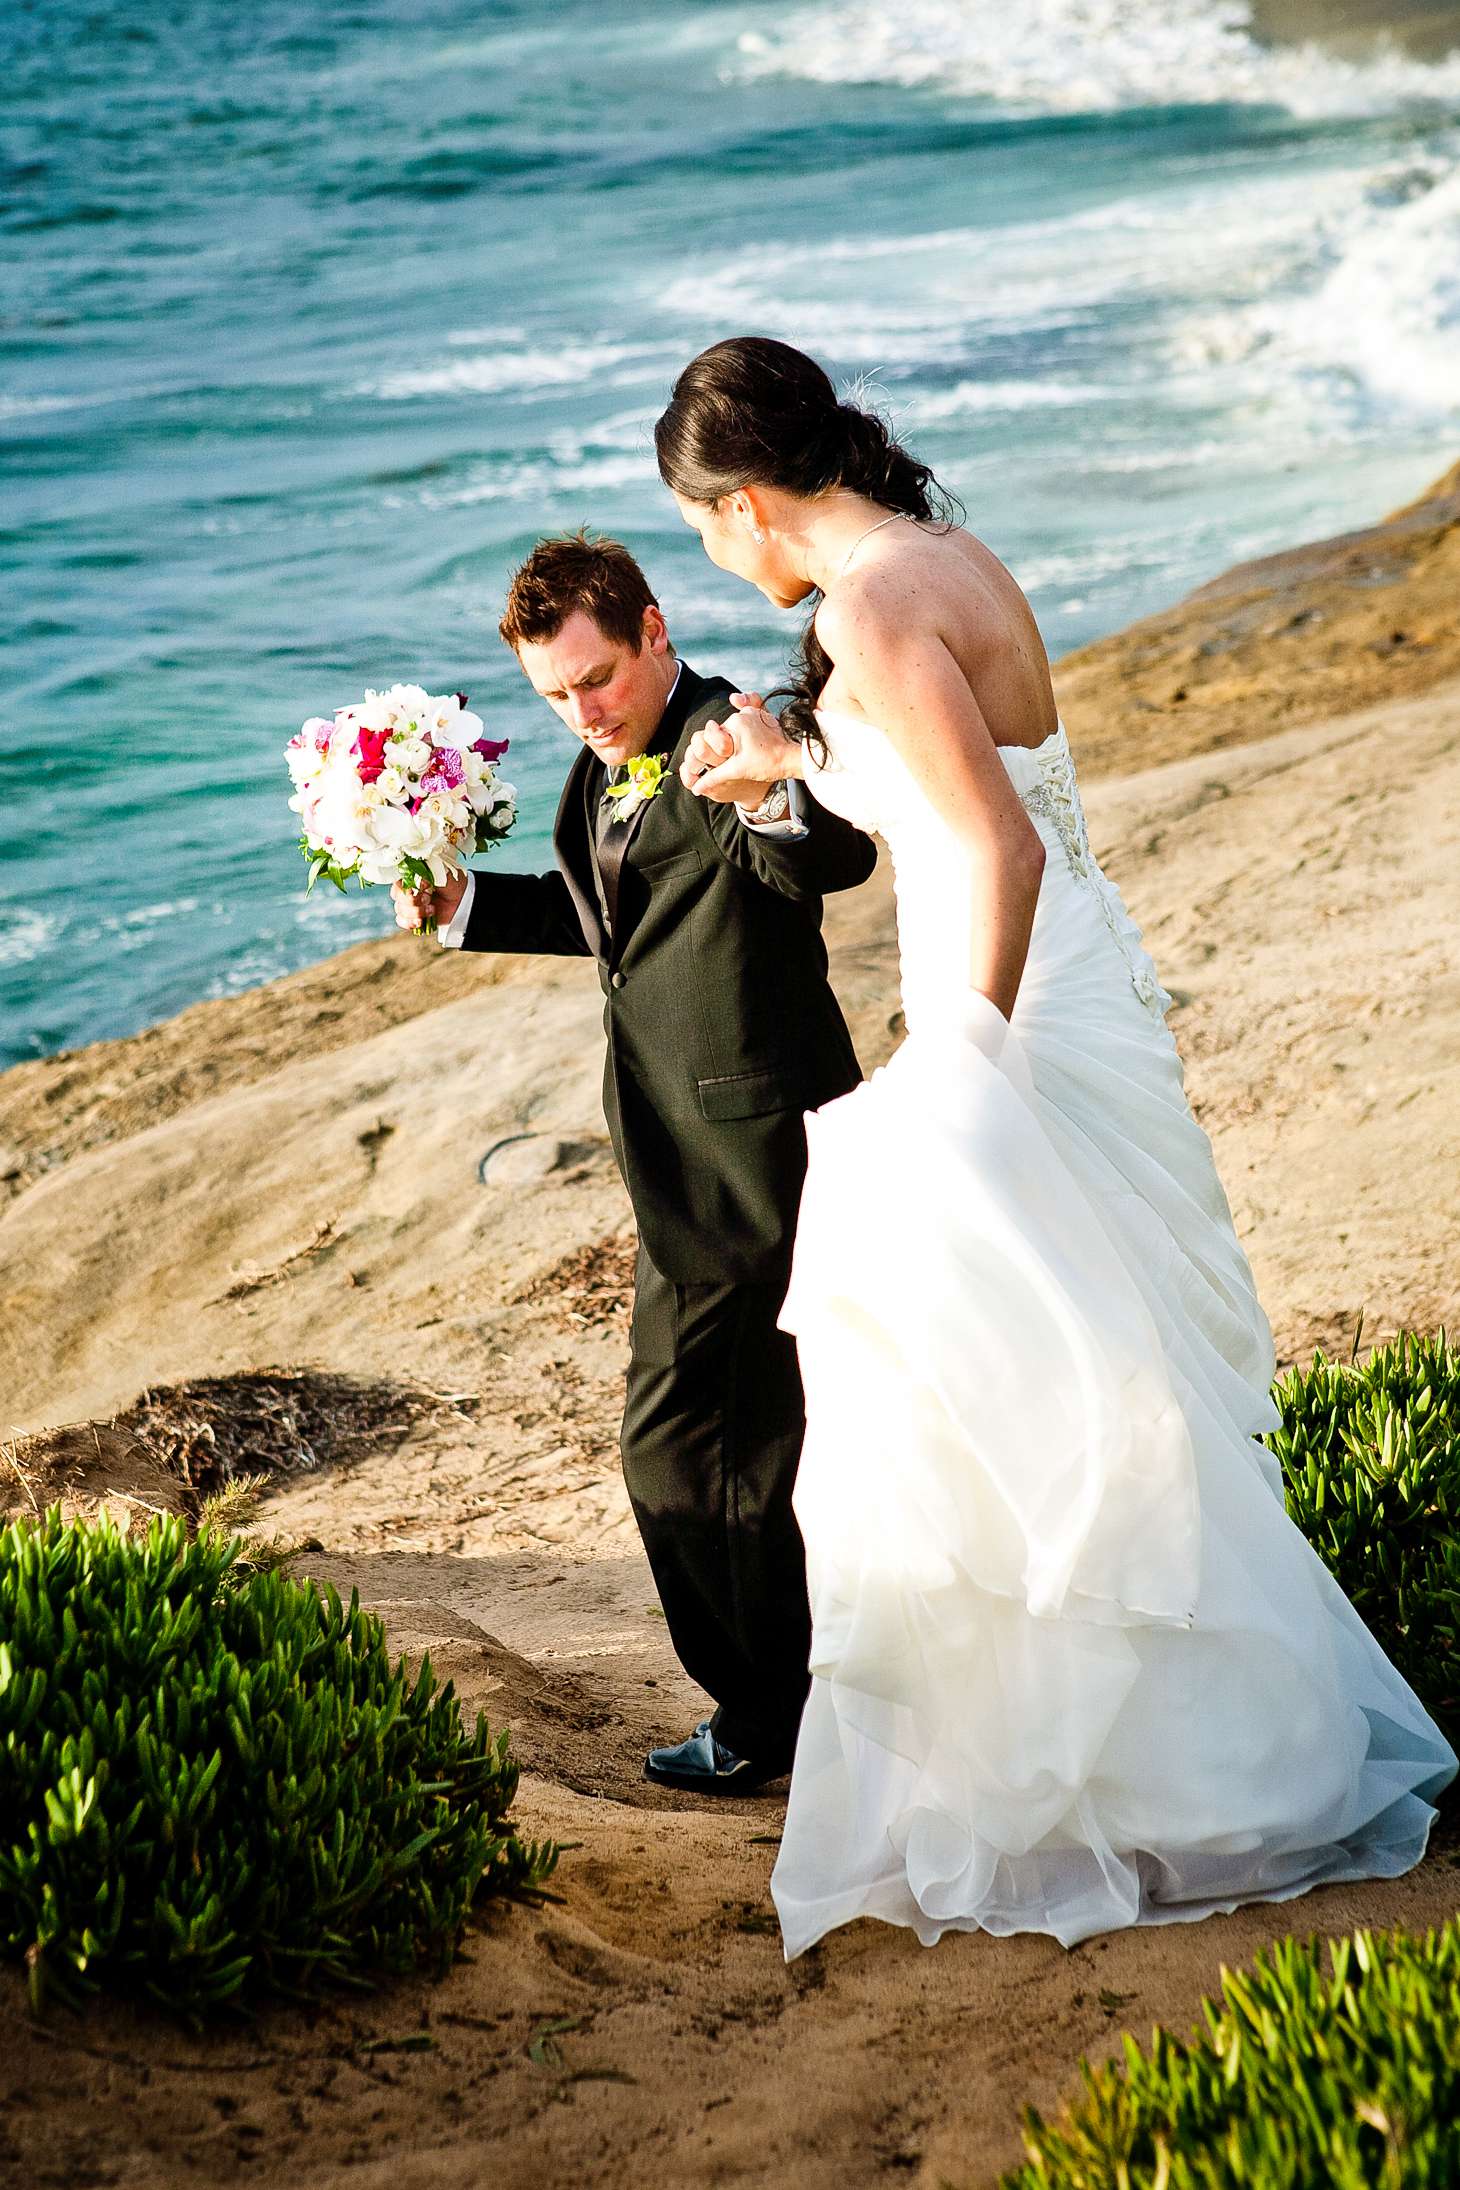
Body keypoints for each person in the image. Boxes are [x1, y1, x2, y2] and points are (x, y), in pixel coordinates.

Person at [655, 335, 1457, 1956]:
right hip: (1047, 981)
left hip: (1013, 1004)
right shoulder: (926, 555)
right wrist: (792, 761)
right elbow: (949, 784)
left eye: (700, 528)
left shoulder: (870, 603)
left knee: (1041, 1388)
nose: (712, 554)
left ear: (743, 506)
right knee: (1091, 1377)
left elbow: (1000, 845)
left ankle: (1127, 1793)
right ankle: (1172, 1770)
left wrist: (968, 1054)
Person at [392, 530, 877, 1793]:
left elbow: (818, 855)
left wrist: (771, 793)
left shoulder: (726, 733)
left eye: (597, 677)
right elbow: (615, 916)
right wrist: (463, 910)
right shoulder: (602, 769)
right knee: (757, 1447)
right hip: (673, 1157)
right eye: (553, 692)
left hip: (755, 1158)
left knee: (682, 1449)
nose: (581, 711)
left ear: (655, 630)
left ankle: (768, 1718)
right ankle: (795, 1706)